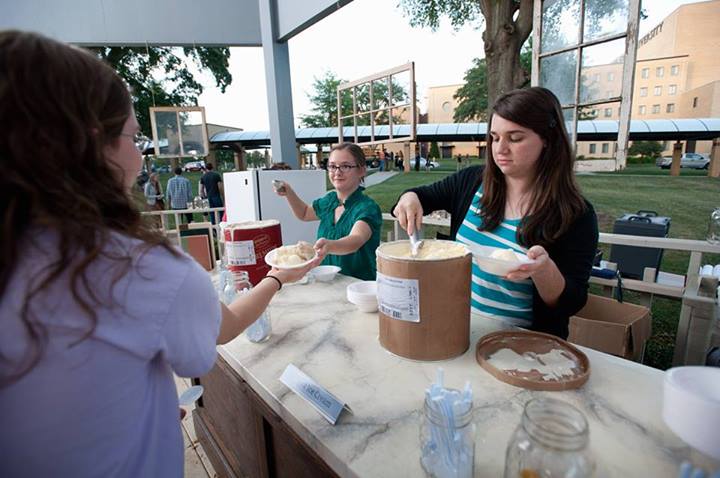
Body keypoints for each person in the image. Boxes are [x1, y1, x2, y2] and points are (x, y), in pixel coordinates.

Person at [0, 30, 319, 477]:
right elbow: (220, 332)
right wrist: (278, 278)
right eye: (133, 138)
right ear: (92, 143)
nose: (140, 156)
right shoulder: (142, 270)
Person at [392, 87, 598, 339]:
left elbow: (571, 303)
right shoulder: (473, 181)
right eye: (495, 137)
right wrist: (409, 197)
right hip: (456, 328)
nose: (500, 149)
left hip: (522, 346)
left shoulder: (576, 214)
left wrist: (544, 271)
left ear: (547, 139)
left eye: (515, 138)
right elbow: (421, 195)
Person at [274, 142, 382, 281]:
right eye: (332, 166)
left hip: (359, 286)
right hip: (327, 282)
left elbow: (356, 240)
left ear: (361, 170)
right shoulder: (330, 200)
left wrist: (330, 245)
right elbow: (305, 213)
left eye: (345, 166)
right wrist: (288, 192)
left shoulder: (367, 207)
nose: (337, 172)